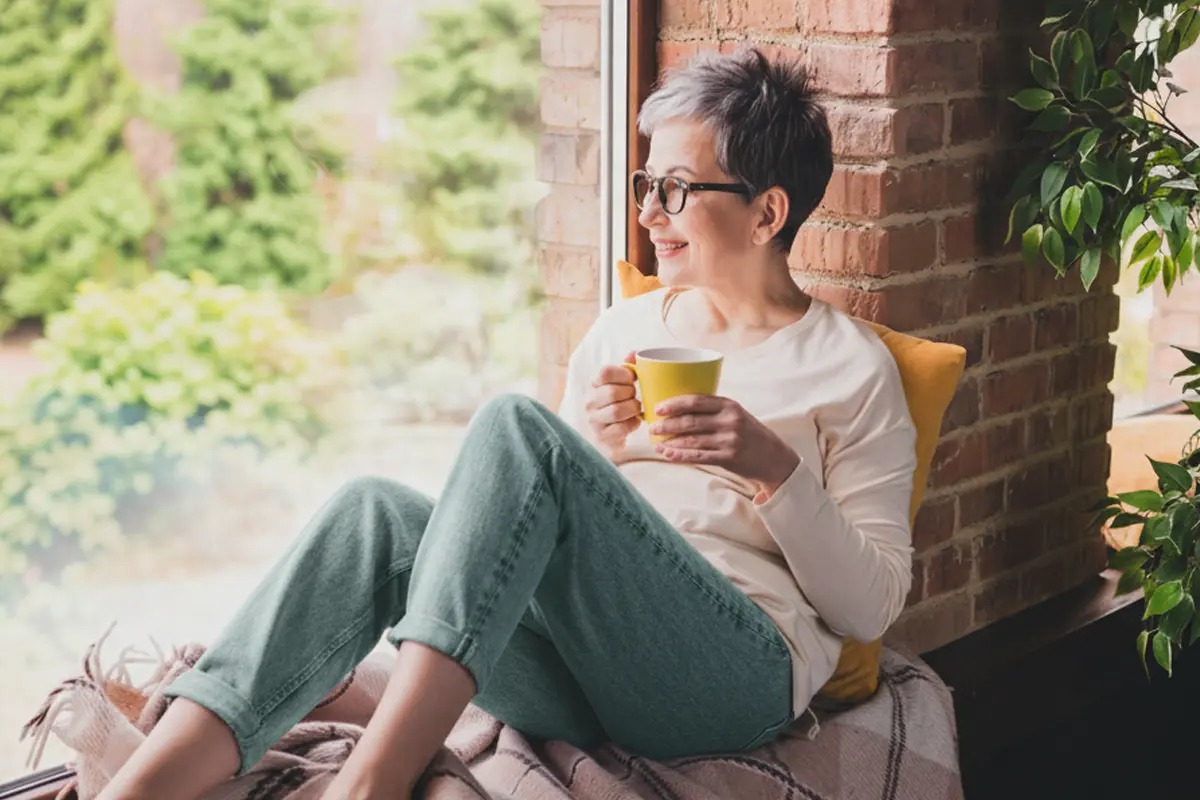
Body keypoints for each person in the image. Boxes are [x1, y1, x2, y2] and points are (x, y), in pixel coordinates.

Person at [95, 47, 917, 800]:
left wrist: (775, 473)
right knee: (373, 513)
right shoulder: (625, 331)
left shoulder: (849, 368)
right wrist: (595, 447)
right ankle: (138, 788)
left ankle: (370, 784)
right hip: (584, 672)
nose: (651, 213)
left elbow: (870, 609)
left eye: (676, 189)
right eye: (645, 185)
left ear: (767, 213)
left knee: (516, 427)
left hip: (730, 673)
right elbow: (525, 527)